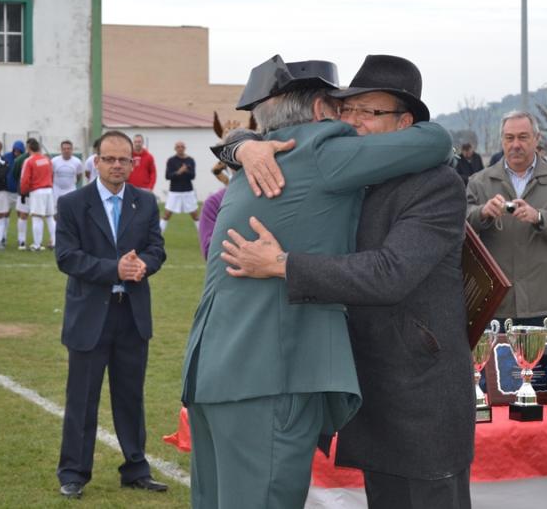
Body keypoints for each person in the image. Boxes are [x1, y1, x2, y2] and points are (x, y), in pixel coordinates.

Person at [181, 54, 452, 509]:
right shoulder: (321, 150)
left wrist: (241, 143)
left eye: (365, 111)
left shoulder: (258, 161)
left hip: (217, 371)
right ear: (323, 111)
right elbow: (436, 140)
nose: (352, 120)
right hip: (269, 375)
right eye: (344, 107)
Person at [55, 130, 167, 499]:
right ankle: (73, 473)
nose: (117, 165)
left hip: (131, 315)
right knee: (82, 399)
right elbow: (67, 257)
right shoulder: (73, 204)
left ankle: (135, 469)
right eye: (109, 159)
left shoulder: (146, 203)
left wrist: (143, 267)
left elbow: (156, 248)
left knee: (130, 397)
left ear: (133, 163)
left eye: (124, 160)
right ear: (96, 161)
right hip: (90, 315)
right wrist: (113, 270)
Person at [466, 111, 547, 328]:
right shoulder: (479, 182)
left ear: (536, 139)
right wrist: (482, 213)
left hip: (542, 303)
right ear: (501, 141)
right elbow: (458, 225)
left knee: (542, 363)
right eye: (509, 138)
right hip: (493, 303)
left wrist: (539, 217)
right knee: (495, 363)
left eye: (523, 137)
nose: (515, 144)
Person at [19, 138, 56, 251]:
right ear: (39, 147)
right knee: (50, 217)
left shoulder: (29, 161)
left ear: (28, 148)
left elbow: (25, 179)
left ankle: (37, 244)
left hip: (37, 191)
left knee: (37, 217)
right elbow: (52, 174)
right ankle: (55, 242)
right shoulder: (47, 159)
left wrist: (23, 192)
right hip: (49, 189)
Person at [160, 141, 198, 232]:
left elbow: (193, 176)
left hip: (188, 191)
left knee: (195, 216)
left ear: (185, 148)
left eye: (182, 146)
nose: (180, 148)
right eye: (178, 147)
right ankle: (158, 235)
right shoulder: (171, 160)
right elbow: (167, 176)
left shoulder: (190, 160)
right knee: (166, 215)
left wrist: (185, 171)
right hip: (174, 191)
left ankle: (203, 235)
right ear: (175, 149)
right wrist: (178, 172)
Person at [51, 140, 84, 216]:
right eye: (64, 149)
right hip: (57, 190)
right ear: (61, 150)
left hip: (70, 190)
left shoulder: (77, 162)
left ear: (72, 150)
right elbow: (50, 175)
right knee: (56, 213)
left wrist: (72, 184)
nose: (66, 150)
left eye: (68, 148)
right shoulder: (54, 161)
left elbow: (79, 175)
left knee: (70, 212)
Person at [3, 140, 26, 247]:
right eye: (15, 150)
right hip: (7, 191)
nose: (16, 153)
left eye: (19, 151)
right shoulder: (6, 157)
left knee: (20, 214)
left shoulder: (26, 158)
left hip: (20, 192)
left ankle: (21, 239)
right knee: (5, 214)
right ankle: (3, 237)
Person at [12, 142, 32, 249]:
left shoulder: (19, 159)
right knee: (35, 216)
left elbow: (15, 175)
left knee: (23, 216)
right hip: (32, 192)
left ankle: (22, 240)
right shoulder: (21, 159)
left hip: (24, 191)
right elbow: (15, 174)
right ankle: (26, 241)